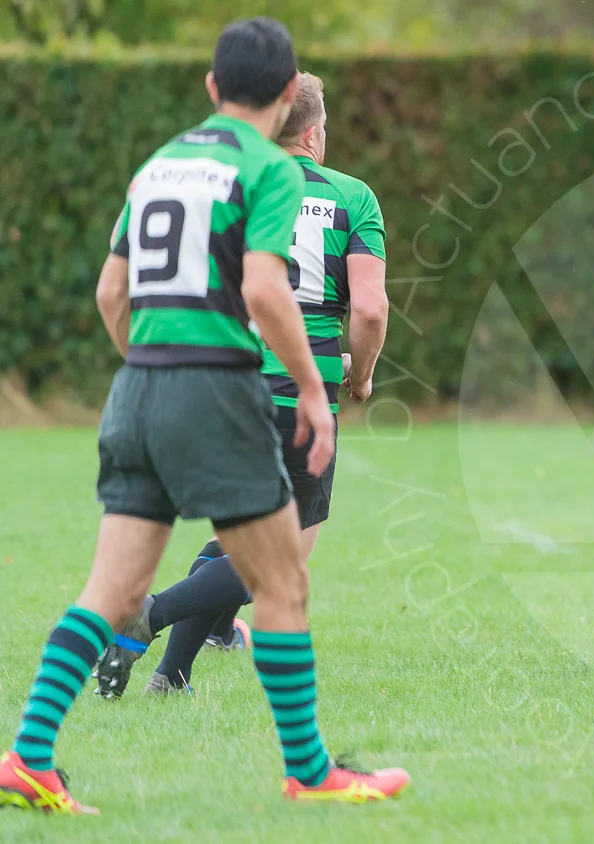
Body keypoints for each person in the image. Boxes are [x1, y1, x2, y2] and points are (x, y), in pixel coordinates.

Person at [0, 20, 407, 814]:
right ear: (293, 96)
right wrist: (314, 390)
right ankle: (311, 772)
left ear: (212, 90)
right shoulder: (272, 171)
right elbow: (263, 290)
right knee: (283, 579)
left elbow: (110, 296)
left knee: (112, 590)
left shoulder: (159, 166)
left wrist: (149, 370)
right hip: (217, 391)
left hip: (138, 389)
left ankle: (27, 759)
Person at [92, 70, 389, 699]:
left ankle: (175, 674)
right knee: (282, 559)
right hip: (297, 390)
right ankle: (150, 616)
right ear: (312, 131)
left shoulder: (228, 184)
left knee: (235, 536)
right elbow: (368, 310)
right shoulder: (350, 196)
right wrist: (359, 377)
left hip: (220, 383)